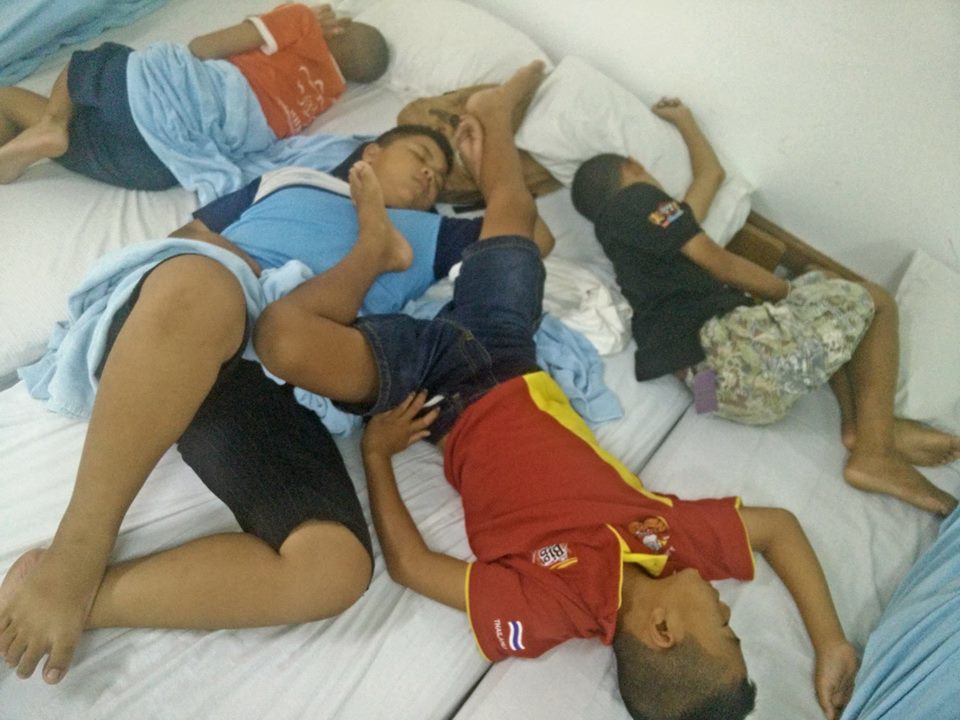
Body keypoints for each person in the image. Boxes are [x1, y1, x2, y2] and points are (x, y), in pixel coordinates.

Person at [251, 62, 859, 720]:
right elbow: (781, 530)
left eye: (725, 630)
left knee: (282, 340)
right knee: (515, 216)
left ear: (662, 631)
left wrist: (376, 454)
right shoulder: (673, 542)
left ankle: (379, 245)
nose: (725, 608)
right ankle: (494, 118)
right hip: (507, 352)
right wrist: (830, 643)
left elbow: (411, 567)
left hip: (433, 392)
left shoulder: (544, 612)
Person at [0, 121, 555, 686]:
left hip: (275, 375)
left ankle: (82, 600)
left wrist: (484, 162)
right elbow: (187, 236)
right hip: (196, 314)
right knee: (203, 288)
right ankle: (76, 553)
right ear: (372, 151)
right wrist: (247, 271)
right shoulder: (289, 181)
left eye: (438, 177)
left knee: (335, 568)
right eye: (419, 156)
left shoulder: (435, 233)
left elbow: (533, 241)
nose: (428, 176)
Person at [569, 98, 960, 517]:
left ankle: (857, 428)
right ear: (633, 167)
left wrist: (684, 120)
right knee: (875, 301)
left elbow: (710, 176)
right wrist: (786, 291)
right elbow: (718, 261)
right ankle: (876, 450)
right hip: (732, 357)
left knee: (820, 292)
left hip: (712, 394)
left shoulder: (637, 240)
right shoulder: (637, 200)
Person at [0, 3, 388, 187]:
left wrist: (282, 18)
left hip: (148, 97)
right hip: (163, 164)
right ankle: (38, 139)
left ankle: (52, 123)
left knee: (92, 61)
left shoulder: (302, 23)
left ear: (339, 28)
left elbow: (201, 47)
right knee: (69, 131)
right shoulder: (326, 96)